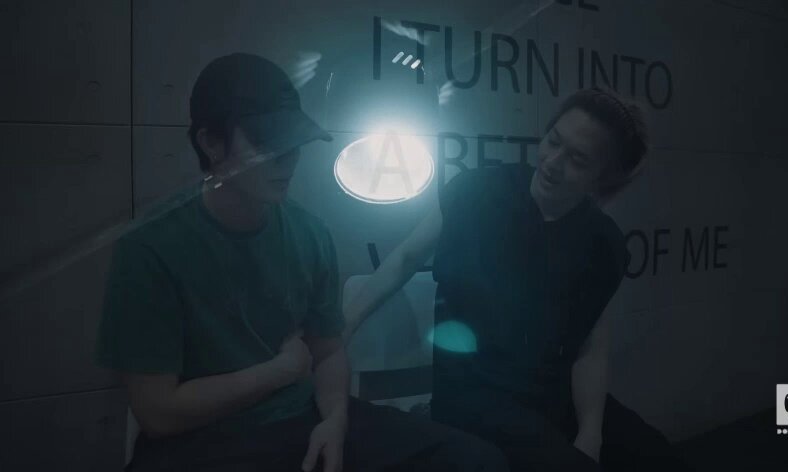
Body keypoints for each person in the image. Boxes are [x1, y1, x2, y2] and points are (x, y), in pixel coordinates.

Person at [96, 53, 509, 472]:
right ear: (211, 143)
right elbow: (158, 412)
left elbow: (328, 351)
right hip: (203, 439)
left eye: (293, 141)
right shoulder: (151, 248)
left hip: (301, 416)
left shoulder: (308, 232)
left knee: (475, 461)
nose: (288, 158)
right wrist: (279, 371)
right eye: (266, 143)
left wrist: (335, 420)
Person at [344, 88, 695, 470]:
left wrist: (591, 433)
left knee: (659, 458)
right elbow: (405, 259)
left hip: (552, 396)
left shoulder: (602, 243)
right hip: (471, 395)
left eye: (577, 159)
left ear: (602, 176)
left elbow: (591, 347)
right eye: (553, 141)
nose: (553, 163)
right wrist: (339, 330)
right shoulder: (476, 191)